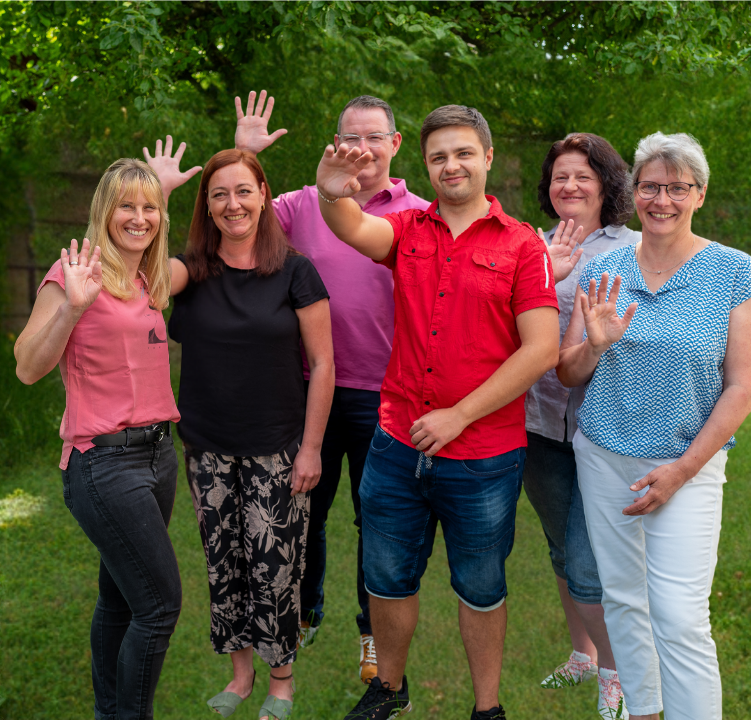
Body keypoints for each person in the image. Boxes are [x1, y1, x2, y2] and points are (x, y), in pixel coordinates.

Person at [316, 104, 571, 720]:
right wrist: (329, 194)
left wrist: (460, 414)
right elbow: (352, 227)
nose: (450, 165)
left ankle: (487, 708)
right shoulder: (407, 230)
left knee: (481, 587)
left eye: (462, 153)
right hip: (397, 445)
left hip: (483, 456)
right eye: (437, 157)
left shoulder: (521, 247)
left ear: (486, 158)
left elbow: (541, 348)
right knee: (385, 577)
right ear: (425, 166)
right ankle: (388, 689)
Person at [556, 132, 751, 720]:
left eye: (678, 187)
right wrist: (595, 346)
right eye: (651, 186)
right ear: (635, 193)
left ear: (699, 194)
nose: (663, 199)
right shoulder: (606, 269)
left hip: (687, 464)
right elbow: (568, 373)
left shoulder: (732, 271)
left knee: (679, 614)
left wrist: (680, 472)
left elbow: (742, 387)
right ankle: (643, 711)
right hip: (604, 456)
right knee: (623, 599)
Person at [230, 91, 429, 683]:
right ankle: (305, 607)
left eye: (375, 137)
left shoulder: (419, 213)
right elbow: (236, 220)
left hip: (386, 395)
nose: (362, 148)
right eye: (351, 136)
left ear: (394, 145)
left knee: (379, 522)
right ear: (334, 142)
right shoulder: (298, 205)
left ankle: (370, 634)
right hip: (306, 390)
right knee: (302, 509)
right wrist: (245, 157)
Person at [167, 149, 335, 720]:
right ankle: (239, 676)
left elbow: (323, 363)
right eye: (219, 194)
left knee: (277, 568)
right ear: (206, 206)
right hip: (208, 447)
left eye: (243, 190)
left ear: (264, 194)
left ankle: (281, 681)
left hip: (278, 446)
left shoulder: (295, 271)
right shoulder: (192, 271)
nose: (232, 204)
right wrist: (160, 194)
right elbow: (140, 275)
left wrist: (311, 447)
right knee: (224, 561)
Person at [14, 158, 181, 720]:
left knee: (120, 600)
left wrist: (169, 188)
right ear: (101, 212)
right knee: (159, 607)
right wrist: (73, 310)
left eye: (148, 207)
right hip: (104, 465)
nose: (138, 218)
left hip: (160, 458)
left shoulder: (148, 280)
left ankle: (108, 711)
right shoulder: (73, 275)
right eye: (125, 206)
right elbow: (28, 368)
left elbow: (218, 244)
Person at [523, 133, 639, 719]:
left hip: (609, 430)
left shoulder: (638, 247)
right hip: (539, 426)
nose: (569, 186)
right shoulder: (529, 245)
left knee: (590, 562)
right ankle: (582, 653)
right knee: (559, 551)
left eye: (583, 177)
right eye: (560, 177)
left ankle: (620, 673)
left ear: (606, 186)